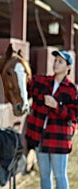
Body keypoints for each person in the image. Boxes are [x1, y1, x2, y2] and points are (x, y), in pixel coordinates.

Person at [25, 50, 78, 189]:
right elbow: (26, 80)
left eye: (60, 62)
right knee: (44, 175)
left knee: (60, 175)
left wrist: (57, 106)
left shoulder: (72, 90)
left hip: (58, 139)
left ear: (68, 68)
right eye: (55, 60)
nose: (56, 63)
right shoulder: (42, 82)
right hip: (39, 137)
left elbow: (74, 115)